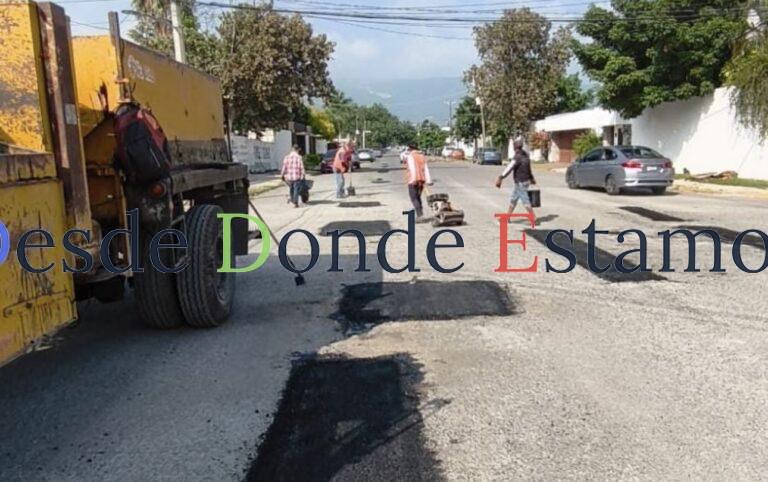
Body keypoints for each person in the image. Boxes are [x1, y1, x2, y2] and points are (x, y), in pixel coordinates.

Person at [495, 139, 536, 220]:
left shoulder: (517, 157)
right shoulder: (526, 156)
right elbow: (529, 169)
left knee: (525, 200)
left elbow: (509, 168)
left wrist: (501, 177)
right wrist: (532, 178)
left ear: (515, 147)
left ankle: (533, 218)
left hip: (521, 182)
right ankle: (508, 217)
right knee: (514, 199)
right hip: (524, 181)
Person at [405, 143, 432, 220]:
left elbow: (412, 168)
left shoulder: (411, 156)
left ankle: (420, 216)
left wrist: (413, 179)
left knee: (414, 198)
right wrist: (428, 180)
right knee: (418, 197)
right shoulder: (422, 156)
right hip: (422, 180)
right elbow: (426, 169)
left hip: (413, 180)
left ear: (410, 149)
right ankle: (420, 214)